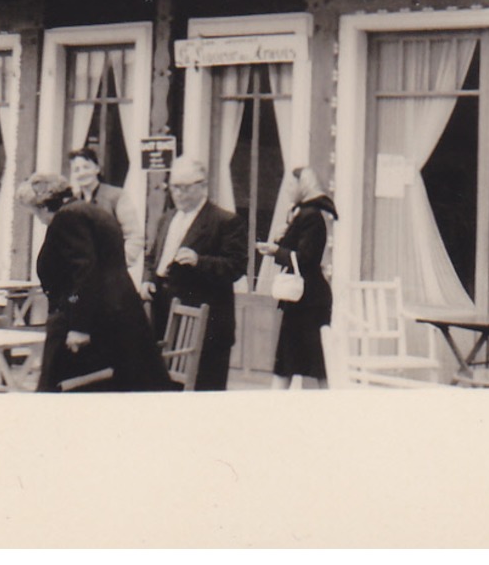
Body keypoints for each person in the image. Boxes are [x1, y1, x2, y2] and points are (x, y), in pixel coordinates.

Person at [17, 173, 168, 392]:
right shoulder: (88, 211)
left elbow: (84, 273)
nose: (39, 219)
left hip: (93, 320)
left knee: (60, 390)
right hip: (112, 314)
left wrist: (79, 327)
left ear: (42, 205)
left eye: (35, 213)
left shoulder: (68, 217)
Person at [144, 155, 246, 392]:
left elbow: (236, 267)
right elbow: (152, 257)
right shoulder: (167, 218)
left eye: (185, 188)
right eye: (174, 188)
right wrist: (147, 280)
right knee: (165, 389)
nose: (178, 194)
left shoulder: (225, 221)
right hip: (164, 315)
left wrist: (199, 261)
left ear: (203, 186)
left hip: (205, 324)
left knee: (203, 392)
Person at [257, 166, 338, 390]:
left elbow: (306, 258)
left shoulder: (310, 215)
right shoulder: (303, 213)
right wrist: (280, 242)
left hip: (308, 300)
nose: (288, 190)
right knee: (300, 360)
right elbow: (298, 251)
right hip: (305, 300)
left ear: (303, 186)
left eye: (292, 184)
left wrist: (276, 251)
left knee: (306, 360)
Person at [67, 146, 143, 284]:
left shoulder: (116, 196)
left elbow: (134, 237)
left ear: (97, 169)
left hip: (111, 279)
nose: (82, 173)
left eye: (86, 167)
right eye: (76, 170)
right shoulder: (73, 203)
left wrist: (118, 265)